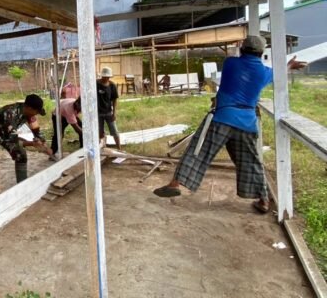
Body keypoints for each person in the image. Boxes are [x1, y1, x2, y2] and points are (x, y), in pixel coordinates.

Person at [153, 36, 306, 214]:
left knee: (198, 150)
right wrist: (289, 65)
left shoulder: (230, 63)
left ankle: (175, 184)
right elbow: (278, 72)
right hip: (247, 123)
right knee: (251, 161)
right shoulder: (265, 73)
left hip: (223, 118)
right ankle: (263, 200)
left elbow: (239, 62)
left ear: (242, 49)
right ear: (261, 52)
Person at [0, 94, 53, 201]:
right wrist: (32, 144)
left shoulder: (30, 114)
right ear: (29, 108)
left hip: (6, 134)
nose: (36, 114)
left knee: (21, 155)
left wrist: (42, 143)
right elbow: (13, 140)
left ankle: (22, 184)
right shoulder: (10, 113)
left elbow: (37, 131)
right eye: (36, 111)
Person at [97, 67, 121, 150]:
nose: (106, 78)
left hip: (108, 112)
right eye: (104, 76)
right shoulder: (95, 84)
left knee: (115, 131)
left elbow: (114, 100)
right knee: (100, 133)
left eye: (107, 77)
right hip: (98, 113)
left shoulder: (112, 86)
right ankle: (103, 148)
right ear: (101, 76)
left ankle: (119, 149)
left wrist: (114, 113)